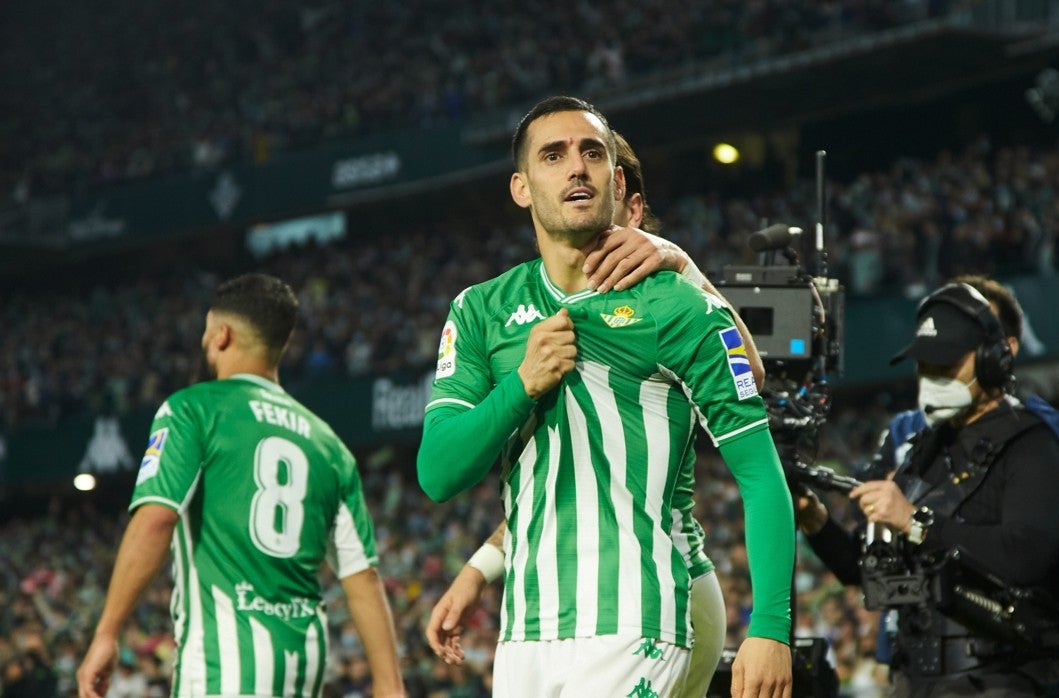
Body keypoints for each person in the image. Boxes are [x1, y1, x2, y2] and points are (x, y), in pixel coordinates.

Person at [415, 96, 794, 697]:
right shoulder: (480, 310)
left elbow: (759, 467)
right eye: (554, 155)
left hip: (637, 616)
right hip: (525, 631)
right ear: (521, 188)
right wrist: (522, 385)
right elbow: (439, 474)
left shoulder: (676, 306)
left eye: (593, 153)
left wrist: (771, 624)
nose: (576, 167)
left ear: (618, 185)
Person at [77, 273, 405, 698]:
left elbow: (155, 520)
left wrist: (107, 632)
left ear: (221, 335)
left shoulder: (192, 409)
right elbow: (362, 575)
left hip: (223, 666)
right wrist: (389, 684)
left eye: (205, 332)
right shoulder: (329, 445)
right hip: (302, 670)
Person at [796, 276, 1059, 695]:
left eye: (946, 365)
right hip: (917, 679)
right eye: (924, 365)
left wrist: (916, 522)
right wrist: (815, 520)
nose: (931, 378)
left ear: (991, 361)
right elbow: (865, 569)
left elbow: (1025, 557)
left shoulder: (1032, 444)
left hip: (1002, 680)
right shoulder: (924, 449)